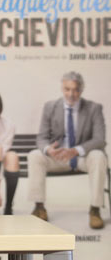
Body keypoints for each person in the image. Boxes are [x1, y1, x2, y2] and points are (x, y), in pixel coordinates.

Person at [28, 72, 107, 229]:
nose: (71, 94)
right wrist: (49, 149)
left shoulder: (93, 108)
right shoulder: (50, 107)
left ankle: (95, 209)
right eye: (67, 89)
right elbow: (41, 138)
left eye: (75, 90)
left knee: (98, 156)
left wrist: (76, 150)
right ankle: (39, 207)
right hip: (58, 157)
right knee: (35, 155)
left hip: (82, 158)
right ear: (62, 88)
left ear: (81, 90)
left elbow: (99, 139)